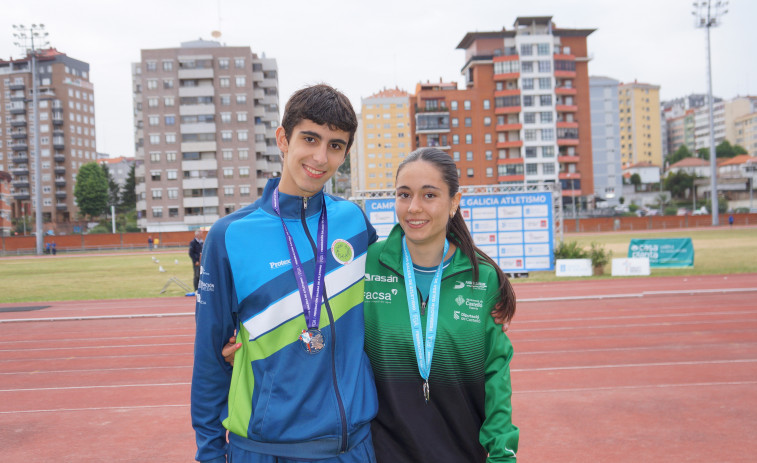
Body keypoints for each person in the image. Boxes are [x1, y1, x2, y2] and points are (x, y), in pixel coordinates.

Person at [191, 84, 379, 463]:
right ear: (283, 139)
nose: (320, 156)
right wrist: (210, 455)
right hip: (264, 451)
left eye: (335, 145)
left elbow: (405, 273)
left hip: (351, 448)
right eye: (310, 138)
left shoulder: (355, 221)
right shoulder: (231, 235)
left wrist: (484, 287)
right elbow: (210, 360)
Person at [363, 147, 518, 462]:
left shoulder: (481, 279)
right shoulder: (367, 266)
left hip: (461, 452)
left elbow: (496, 377)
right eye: (403, 195)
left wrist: (502, 455)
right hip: (384, 454)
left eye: (429, 195)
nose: (414, 207)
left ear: (454, 203)